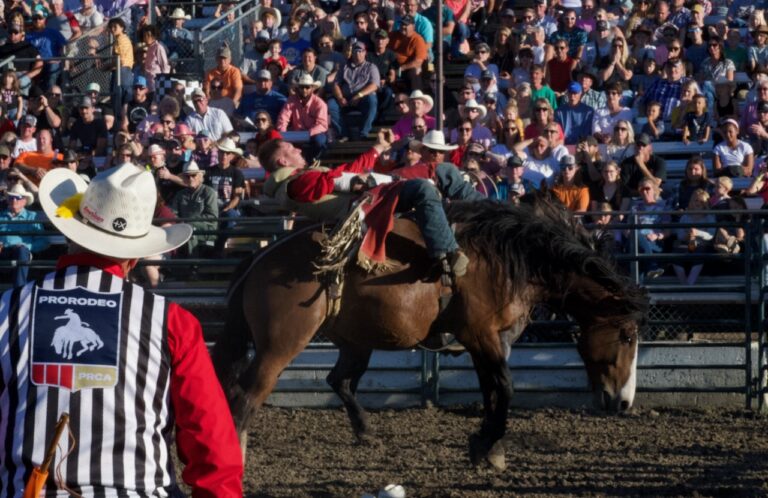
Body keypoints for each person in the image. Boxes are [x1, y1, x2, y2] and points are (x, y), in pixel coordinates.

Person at [1, 164, 244, 495]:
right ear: (134, 257)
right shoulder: (171, 321)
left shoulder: (8, 309)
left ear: (71, 233)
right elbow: (211, 442)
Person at [257, 130, 481, 277]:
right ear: (282, 161)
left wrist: (377, 149)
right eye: (290, 149)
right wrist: (366, 180)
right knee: (427, 185)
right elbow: (341, 179)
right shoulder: (296, 182)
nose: (298, 149)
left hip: (370, 196)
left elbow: (343, 176)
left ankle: (486, 210)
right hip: (367, 204)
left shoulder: (295, 181)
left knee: (440, 172)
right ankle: (448, 250)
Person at [328, 40, 380, 141]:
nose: (357, 53)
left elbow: (374, 85)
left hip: (362, 98)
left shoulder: (371, 67)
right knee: (331, 104)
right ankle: (343, 134)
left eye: (360, 50)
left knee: (372, 100)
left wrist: (359, 95)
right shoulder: (344, 67)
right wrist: (340, 98)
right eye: (355, 50)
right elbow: (335, 84)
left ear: (365, 52)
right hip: (345, 99)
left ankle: (364, 133)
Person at [0, 182, 47, 288]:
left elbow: (43, 241)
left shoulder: (32, 217)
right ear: (7, 199)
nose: (14, 200)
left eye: (18, 197)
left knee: (21, 251)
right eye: (11, 197)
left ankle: (19, 290)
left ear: (24, 201)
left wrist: (26, 246)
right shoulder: (0, 215)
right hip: (3, 252)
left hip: (21, 254)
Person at [170, 160, 220, 256]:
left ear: (200, 176)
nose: (191, 178)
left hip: (207, 229)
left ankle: (193, 266)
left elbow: (212, 217)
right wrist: (180, 223)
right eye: (187, 176)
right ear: (184, 178)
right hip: (183, 226)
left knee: (190, 232)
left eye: (193, 175)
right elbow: (173, 214)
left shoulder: (209, 192)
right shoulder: (180, 194)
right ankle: (169, 264)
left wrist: (189, 222)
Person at [277, 74, 329, 161]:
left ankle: (314, 160)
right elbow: (283, 119)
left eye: (307, 87)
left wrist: (307, 134)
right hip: (298, 134)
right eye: (302, 87)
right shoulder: (291, 100)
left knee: (319, 141)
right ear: (298, 88)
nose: (304, 90)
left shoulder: (320, 103)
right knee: (281, 140)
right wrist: (283, 134)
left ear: (312, 88)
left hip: (314, 134)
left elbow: (322, 125)